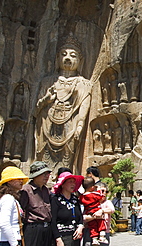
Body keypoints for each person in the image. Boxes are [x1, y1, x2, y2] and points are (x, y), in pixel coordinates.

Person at [35, 34, 92, 173]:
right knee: (44, 153)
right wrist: (46, 100)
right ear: (57, 58)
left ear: (81, 60)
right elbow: (35, 111)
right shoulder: (48, 81)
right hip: (48, 122)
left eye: (73, 55)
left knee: (69, 153)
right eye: (63, 54)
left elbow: (84, 106)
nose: (67, 58)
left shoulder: (83, 83)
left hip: (70, 122)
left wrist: (79, 125)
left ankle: (65, 177)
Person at [0, 166, 29, 246]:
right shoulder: (8, 198)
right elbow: (4, 223)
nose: (21, 181)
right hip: (6, 241)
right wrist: (14, 243)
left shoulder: (6, 198)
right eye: (18, 179)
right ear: (9, 181)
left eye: (22, 179)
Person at [19, 161, 52, 246]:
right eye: (43, 174)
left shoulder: (46, 190)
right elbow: (20, 211)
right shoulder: (26, 190)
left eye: (47, 174)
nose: (46, 176)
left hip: (47, 228)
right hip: (33, 228)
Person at [51, 171, 84, 246]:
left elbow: (80, 217)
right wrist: (58, 238)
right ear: (62, 184)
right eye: (70, 182)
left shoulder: (75, 199)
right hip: (62, 236)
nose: (73, 184)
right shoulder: (55, 200)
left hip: (75, 236)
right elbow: (53, 221)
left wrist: (80, 227)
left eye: (74, 182)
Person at [79, 177, 108, 245]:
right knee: (101, 222)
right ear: (92, 187)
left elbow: (80, 202)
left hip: (88, 212)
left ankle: (94, 239)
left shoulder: (82, 196)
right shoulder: (94, 194)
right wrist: (98, 189)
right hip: (96, 210)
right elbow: (101, 197)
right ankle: (102, 236)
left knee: (92, 226)